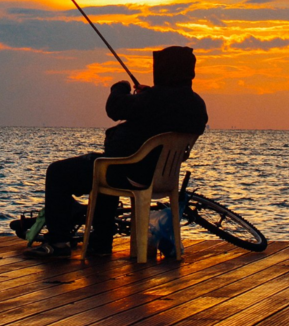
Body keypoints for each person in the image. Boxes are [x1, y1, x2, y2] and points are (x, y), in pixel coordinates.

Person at [23, 45, 208, 259]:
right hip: (157, 178)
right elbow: (164, 110)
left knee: (58, 172)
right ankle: (99, 244)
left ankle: (57, 243)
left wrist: (120, 88)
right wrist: (148, 95)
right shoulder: (196, 104)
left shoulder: (153, 100)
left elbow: (115, 108)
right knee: (107, 164)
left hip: (128, 173)